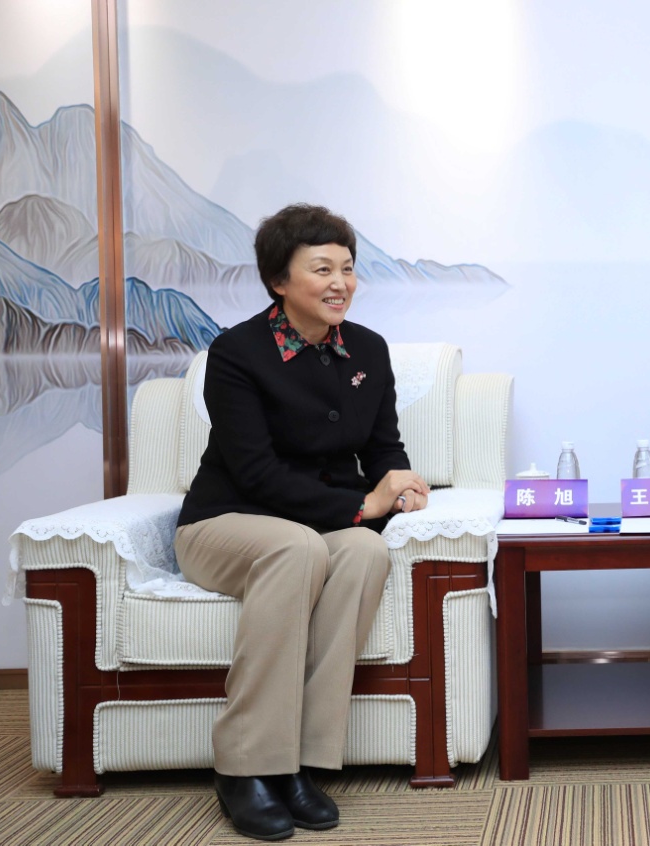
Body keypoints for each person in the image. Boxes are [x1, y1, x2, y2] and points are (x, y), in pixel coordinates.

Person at [175, 203, 430, 840]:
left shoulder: (367, 348)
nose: (341, 282)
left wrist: (399, 484)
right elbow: (255, 472)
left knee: (365, 553)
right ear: (279, 281)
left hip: (313, 527)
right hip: (224, 524)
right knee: (298, 549)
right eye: (322, 269)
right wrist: (360, 507)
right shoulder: (236, 353)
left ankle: (299, 765)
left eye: (348, 268)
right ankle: (244, 767)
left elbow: (383, 446)